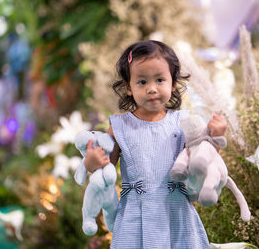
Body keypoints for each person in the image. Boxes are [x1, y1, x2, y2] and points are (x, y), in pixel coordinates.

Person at [84, 40, 227, 248]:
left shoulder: (184, 123)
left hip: (176, 213)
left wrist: (216, 136)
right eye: (142, 82)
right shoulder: (120, 126)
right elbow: (106, 169)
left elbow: (202, 160)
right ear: (128, 87)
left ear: (173, 83)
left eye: (160, 80)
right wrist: (92, 163)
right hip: (136, 217)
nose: (152, 89)